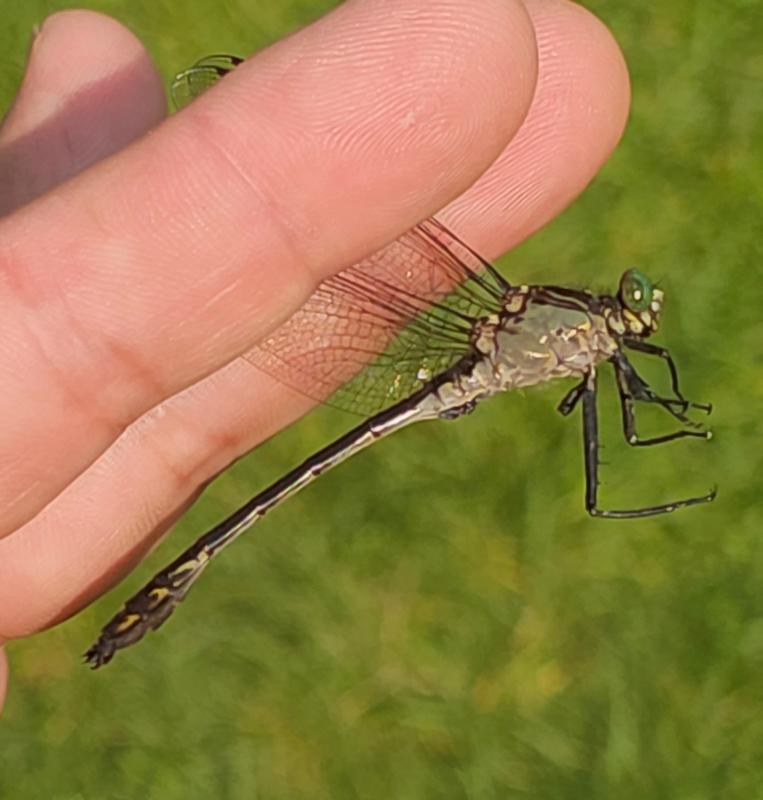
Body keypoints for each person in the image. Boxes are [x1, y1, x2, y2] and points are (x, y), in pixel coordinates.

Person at [0, 0, 630, 712]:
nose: (629, 318)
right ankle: (185, 572)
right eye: (628, 308)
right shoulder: (573, 332)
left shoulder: (580, 336)